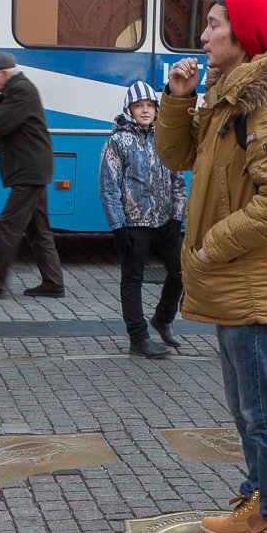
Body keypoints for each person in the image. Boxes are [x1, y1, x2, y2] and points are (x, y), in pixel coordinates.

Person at [155, 0, 267, 533]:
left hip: (248, 283)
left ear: (243, 39)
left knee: (265, 411)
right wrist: (179, 99)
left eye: (214, 25)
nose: (202, 37)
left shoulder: (266, 106)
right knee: (246, 408)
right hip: (229, 282)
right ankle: (258, 504)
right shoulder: (229, 101)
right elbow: (177, 157)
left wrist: (211, 245)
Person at [0, 52, 65, 299]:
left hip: (29, 172)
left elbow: (1, 122)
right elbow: (1, 119)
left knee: (9, 225)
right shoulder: (15, 91)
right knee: (38, 230)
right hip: (32, 170)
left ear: (5, 73)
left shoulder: (20, 90)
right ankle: (53, 283)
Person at [99, 81, 186, 359]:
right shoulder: (117, 141)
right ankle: (138, 339)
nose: (145, 111)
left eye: (150, 106)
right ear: (130, 110)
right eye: (139, 106)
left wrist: (176, 218)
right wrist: (118, 226)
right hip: (134, 224)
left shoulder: (165, 137)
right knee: (132, 279)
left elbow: (178, 179)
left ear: (157, 109)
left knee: (181, 271)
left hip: (164, 222)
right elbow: (108, 186)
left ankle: (162, 318)